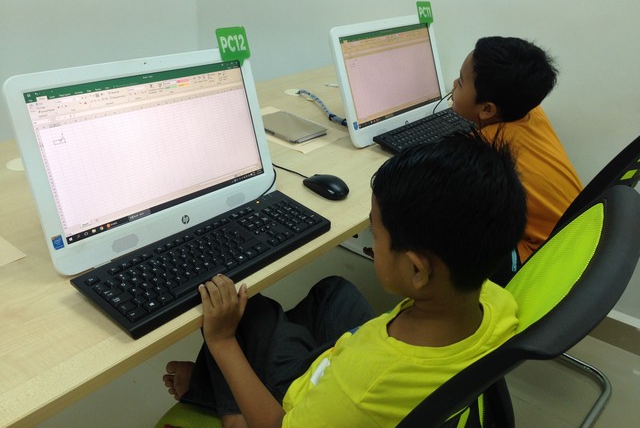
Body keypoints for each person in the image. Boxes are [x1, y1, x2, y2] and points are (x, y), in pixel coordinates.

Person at [163, 130, 527, 427]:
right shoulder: (496, 301)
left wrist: (223, 341)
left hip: (306, 401)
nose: (371, 241)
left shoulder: (363, 390)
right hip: (347, 355)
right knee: (333, 291)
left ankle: (228, 409)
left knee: (242, 312)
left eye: (375, 232)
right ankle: (218, 381)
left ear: (417, 270)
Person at [451, 36, 582, 281]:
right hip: (579, 237)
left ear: (487, 109)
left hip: (544, 258)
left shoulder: (486, 151)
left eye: (461, 81)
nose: (454, 84)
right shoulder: (533, 113)